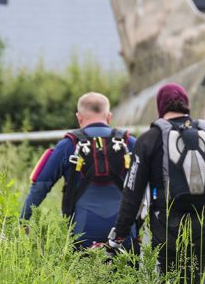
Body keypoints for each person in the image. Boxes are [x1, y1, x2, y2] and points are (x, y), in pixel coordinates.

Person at [106, 83, 205, 284]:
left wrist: (119, 235)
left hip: (163, 226)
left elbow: (132, 194)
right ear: (186, 105)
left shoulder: (149, 139)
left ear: (160, 106)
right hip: (203, 225)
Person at [20, 92, 135, 248]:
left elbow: (40, 186)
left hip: (82, 235)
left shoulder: (68, 146)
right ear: (109, 117)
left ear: (79, 117)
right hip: (124, 234)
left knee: (82, 271)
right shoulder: (129, 143)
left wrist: (23, 221)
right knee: (127, 271)